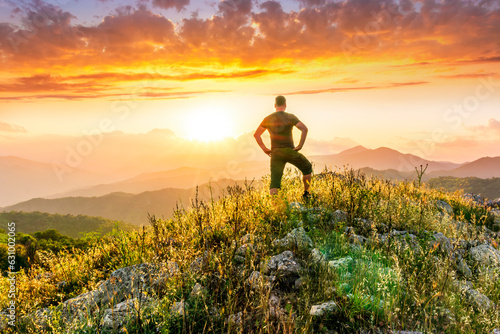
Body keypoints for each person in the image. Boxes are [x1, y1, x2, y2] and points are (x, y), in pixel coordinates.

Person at [254, 95, 313, 198]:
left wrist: (265, 149)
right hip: (289, 151)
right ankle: (306, 194)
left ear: (275, 105)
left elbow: (257, 134)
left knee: (275, 182)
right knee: (307, 167)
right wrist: (300, 145)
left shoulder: (268, 118)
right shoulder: (290, 117)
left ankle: (274, 205)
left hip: (275, 153)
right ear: (285, 105)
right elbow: (304, 129)